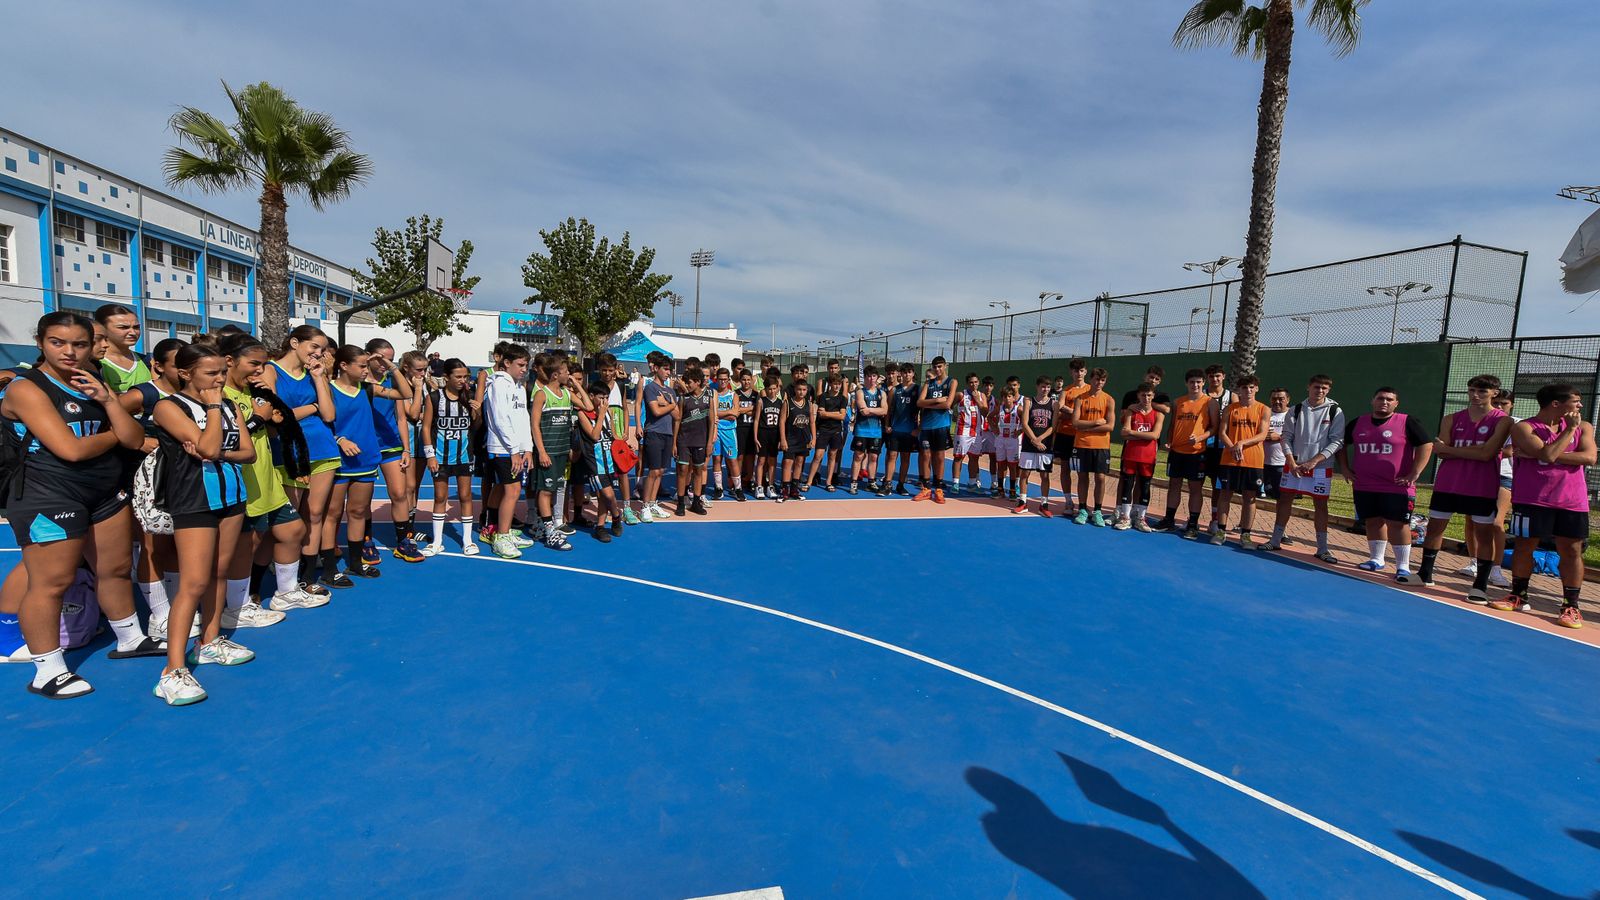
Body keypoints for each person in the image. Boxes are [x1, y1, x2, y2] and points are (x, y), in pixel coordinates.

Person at [4, 312, 161, 700]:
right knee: (51, 582)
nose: (70, 352)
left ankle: (129, 639)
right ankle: (48, 670)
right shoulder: (26, 388)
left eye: (79, 344)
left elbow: (134, 434)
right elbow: (71, 449)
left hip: (103, 490)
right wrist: (114, 434)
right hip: (48, 494)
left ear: (92, 346)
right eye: (59, 342)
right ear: (40, 342)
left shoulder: (94, 381)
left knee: (115, 568)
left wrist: (108, 400)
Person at [151, 341, 257, 704]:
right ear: (185, 373)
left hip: (231, 497)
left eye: (222, 373)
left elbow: (247, 452)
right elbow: (207, 449)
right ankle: (172, 670)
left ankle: (209, 641)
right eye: (211, 373)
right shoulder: (168, 407)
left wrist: (218, 446)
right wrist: (212, 410)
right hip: (194, 501)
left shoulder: (228, 405)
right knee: (193, 582)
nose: (220, 379)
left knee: (219, 572)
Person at [218, 334, 319, 627]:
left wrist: (273, 417)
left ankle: (286, 592)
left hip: (266, 475)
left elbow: (273, 431)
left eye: (263, 365)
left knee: (292, 530)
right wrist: (259, 419)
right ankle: (236, 608)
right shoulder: (219, 395)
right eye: (254, 364)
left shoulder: (253, 393)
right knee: (246, 546)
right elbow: (226, 439)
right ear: (229, 362)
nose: (259, 371)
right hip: (242, 480)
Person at [1489, 383, 1595, 627]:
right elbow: (1547, 456)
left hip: (1572, 501)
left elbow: (1589, 457)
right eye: (1575, 401)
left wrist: (1542, 452)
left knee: (1571, 551)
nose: (1579, 406)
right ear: (1556, 404)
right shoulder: (1523, 428)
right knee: (1524, 546)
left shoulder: (1585, 427)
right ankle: (1518, 595)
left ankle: (1571, 606)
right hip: (1532, 498)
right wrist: (1566, 435)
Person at [260, 325, 340, 594]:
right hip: (290, 451)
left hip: (323, 449)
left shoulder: (314, 374)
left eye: (323, 349)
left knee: (315, 514)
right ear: (295, 343)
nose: (319, 353)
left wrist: (319, 379)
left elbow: (329, 415)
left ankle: (306, 577)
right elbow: (276, 416)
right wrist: (313, 407)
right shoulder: (270, 370)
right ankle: (281, 578)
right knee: (289, 520)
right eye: (314, 347)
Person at [117, 337, 187, 640]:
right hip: (145, 478)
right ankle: (160, 616)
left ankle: (175, 607)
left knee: (172, 543)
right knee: (149, 545)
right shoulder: (141, 395)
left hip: (180, 477)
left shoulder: (189, 395)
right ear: (157, 366)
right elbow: (110, 421)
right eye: (178, 366)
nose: (185, 371)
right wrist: (140, 441)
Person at [1421, 375, 1514, 598]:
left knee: (1484, 534)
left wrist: (1452, 450)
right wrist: (1469, 450)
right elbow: (1440, 451)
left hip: (1481, 485)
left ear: (1495, 393)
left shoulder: (1503, 421)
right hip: (1448, 482)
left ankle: (1480, 585)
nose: (1475, 395)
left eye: (1482, 391)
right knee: (1435, 528)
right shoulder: (1451, 418)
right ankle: (1425, 575)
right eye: (1472, 390)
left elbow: (1487, 455)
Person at [323, 345, 407, 582]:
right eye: (360, 366)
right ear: (343, 366)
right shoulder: (327, 390)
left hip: (365, 459)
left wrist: (392, 367)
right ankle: (329, 568)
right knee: (333, 514)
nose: (365, 370)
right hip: (338, 461)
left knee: (359, 511)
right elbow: (320, 424)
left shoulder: (367, 389)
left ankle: (355, 563)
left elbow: (404, 392)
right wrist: (340, 439)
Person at [1339, 386, 1433, 581]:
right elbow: (1341, 444)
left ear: (1396, 403)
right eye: (1381, 398)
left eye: (1390, 399)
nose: (1385, 402)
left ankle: (1403, 566)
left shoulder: (1407, 421)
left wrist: (1415, 472)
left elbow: (1426, 444)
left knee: (1398, 524)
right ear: (1372, 400)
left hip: (1396, 485)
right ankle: (1376, 559)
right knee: (1373, 521)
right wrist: (1345, 469)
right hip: (1365, 484)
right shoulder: (1358, 422)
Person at [1264, 374, 1344, 560]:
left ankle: (1322, 549)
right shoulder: (1296, 409)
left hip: (1321, 468)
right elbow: (1286, 437)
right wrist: (1291, 461)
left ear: (1328, 390)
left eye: (1325, 388)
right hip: (1294, 466)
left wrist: (1314, 461)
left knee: (1321, 506)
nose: (1320, 390)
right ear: (1308, 387)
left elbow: (1337, 441)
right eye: (1317, 387)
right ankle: (1275, 540)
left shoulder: (1335, 411)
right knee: (1284, 500)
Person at [362, 339, 421, 563]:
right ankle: (365, 540)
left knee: (399, 493)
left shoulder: (391, 380)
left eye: (390, 358)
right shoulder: (358, 383)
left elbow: (401, 418)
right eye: (381, 358)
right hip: (364, 446)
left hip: (390, 445)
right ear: (369, 356)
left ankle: (403, 541)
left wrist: (406, 449)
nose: (385, 363)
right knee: (363, 499)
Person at [420, 358, 479, 557]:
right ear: (447, 377)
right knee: (440, 497)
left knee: (465, 496)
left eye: (466, 376)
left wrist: (477, 414)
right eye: (458, 376)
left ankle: (468, 540)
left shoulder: (469, 397)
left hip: (464, 456)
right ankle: (437, 541)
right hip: (440, 457)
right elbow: (426, 427)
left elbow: (475, 429)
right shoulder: (434, 398)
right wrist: (430, 455)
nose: (463, 380)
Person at [483, 343, 535, 558]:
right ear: (506, 363)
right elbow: (499, 418)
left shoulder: (518, 387)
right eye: (520, 364)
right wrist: (514, 450)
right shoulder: (498, 385)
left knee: (502, 488)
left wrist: (528, 448)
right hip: (502, 448)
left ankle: (493, 528)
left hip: (515, 448)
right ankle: (502, 537)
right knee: (512, 491)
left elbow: (523, 419)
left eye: (526, 365)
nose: (524, 369)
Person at [529, 353, 584, 549]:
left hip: (562, 451)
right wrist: (541, 452)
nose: (569, 375)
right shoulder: (542, 394)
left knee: (553, 490)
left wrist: (575, 385)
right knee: (545, 491)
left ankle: (542, 527)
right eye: (566, 372)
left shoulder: (567, 394)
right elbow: (534, 425)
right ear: (555, 375)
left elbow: (588, 405)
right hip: (548, 451)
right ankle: (550, 531)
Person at [1211, 375, 1270, 547]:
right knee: (1224, 495)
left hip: (1253, 460)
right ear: (1239, 390)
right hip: (1229, 460)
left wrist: (1241, 444)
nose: (1248, 390)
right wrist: (1232, 448)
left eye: (1252, 387)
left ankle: (1246, 535)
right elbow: (1222, 433)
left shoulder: (1264, 409)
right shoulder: (1230, 409)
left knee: (1250, 498)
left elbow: (1262, 434)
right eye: (1245, 388)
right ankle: (1221, 531)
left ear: (1257, 389)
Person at [1157, 369, 1215, 538]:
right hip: (1176, 452)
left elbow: (1214, 428)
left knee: (1195, 488)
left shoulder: (1210, 403)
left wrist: (1200, 437)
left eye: (1198, 382)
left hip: (1197, 453)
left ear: (1203, 382)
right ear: (1186, 383)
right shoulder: (1178, 402)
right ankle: (1169, 519)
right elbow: (1172, 426)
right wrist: (1169, 440)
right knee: (1174, 484)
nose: (1195, 385)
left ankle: (1193, 524)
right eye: (1191, 382)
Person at [572, 369, 625, 542]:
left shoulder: (607, 413)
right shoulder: (583, 414)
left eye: (606, 398)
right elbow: (594, 435)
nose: (604, 401)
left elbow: (610, 434)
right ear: (592, 396)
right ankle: (616, 516)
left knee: (604, 496)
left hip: (609, 460)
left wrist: (622, 443)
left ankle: (600, 526)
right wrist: (601, 415)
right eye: (601, 398)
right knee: (608, 495)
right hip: (595, 462)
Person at [1114, 382, 1165, 532]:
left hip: (1148, 457)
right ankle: (1125, 517)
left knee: (1145, 486)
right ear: (1138, 396)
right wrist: (1145, 436)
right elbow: (1123, 433)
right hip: (1131, 454)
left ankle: (1141, 518)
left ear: (1153, 396)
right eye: (1143, 395)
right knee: (1128, 485)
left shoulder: (1158, 414)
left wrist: (1133, 433)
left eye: (1149, 395)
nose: (1146, 398)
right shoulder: (1131, 412)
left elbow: (1155, 435)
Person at [1070, 368, 1115, 526]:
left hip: (1101, 446)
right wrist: (1095, 423)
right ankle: (1082, 509)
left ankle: (1097, 511)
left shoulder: (1109, 399)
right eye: (1096, 379)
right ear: (1091, 379)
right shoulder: (1080, 398)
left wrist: (1085, 427)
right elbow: (1075, 423)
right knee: (1082, 477)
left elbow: (1110, 426)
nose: (1099, 383)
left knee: (1100, 478)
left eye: (1102, 380)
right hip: (1082, 444)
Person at [638, 352, 677, 522]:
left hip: (668, 433)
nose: (668, 373)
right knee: (653, 471)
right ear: (657, 370)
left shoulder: (670, 391)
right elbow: (656, 411)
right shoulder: (650, 388)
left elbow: (677, 415)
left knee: (661, 471)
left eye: (670, 370)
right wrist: (670, 405)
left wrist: (667, 403)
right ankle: (644, 506)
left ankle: (653, 503)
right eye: (666, 369)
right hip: (654, 432)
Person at [673, 365, 715, 514]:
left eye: (689, 382)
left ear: (697, 382)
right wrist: (674, 443)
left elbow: (711, 421)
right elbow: (677, 421)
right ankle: (680, 502)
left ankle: (696, 502)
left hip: (701, 441)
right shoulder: (683, 399)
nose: (687, 384)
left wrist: (710, 442)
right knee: (683, 470)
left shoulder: (708, 398)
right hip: (684, 440)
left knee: (698, 470)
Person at [914, 356, 956, 504]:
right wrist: (937, 400)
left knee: (939, 457)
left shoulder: (952, 381)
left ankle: (938, 489)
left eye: (940, 366)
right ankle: (926, 489)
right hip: (926, 426)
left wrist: (928, 404)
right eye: (935, 367)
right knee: (925, 456)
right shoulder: (928, 383)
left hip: (941, 426)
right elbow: (919, 402)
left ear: (945, 366)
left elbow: (948, 405)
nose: (937, 369)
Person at [1201, 364, 1235, 534]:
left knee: (1218, 486)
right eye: (1211, 376)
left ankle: (1215, 520)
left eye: (1217, 376)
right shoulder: (1202, 395)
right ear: (1207, 378)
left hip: (1222, 449)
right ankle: (1193, 519)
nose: (1214, 379)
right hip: (1201, 447)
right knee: (1196, 484)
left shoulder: (1232, 396)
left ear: (1223, 376)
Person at [1053, 359, 1090, 514]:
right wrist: (1076, 414)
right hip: (1064, 435)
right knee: (1065, 468)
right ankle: (1068, 501)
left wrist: (1071, 412)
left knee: (1083, 472)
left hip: (1081, 437)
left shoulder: (1090, 390)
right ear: (1071, 373)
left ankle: (1083, 505)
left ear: (1085, 372)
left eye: (1081, 370)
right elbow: (1059, 408)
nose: (1078, 373)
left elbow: (1088, 413)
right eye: (1075, 371)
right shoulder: (1066, 391)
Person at [1017, 376, 1055, 516]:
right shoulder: (1029, 401)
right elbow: (1025, 423)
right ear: (1037, 387)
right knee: (1025, 474)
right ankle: (1022, 502)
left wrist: (1040, 440)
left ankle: (1044, 504)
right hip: (1029, 444)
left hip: (1045, 445)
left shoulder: (1054, 404)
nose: (1045, 389)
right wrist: (1034, 439)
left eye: (1048, 387)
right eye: (1043, 386)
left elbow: (1053, 426)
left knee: (1044, 475)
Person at [882, 364, 920, 496]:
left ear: (913, 374)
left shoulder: (918, 389)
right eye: (904, 373)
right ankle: (887, 484)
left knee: (905, 458)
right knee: (892, 456)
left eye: (909, 372)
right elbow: (889, 410)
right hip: (895, 429)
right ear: (901, 374)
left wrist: (918, 429)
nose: (906, 375)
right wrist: (887, 425)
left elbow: (923, 410)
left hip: (910, 431)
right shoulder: (894, 390)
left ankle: (901, 484)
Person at [95, 303, 151, 392]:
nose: (133, 332)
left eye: (136, 327)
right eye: (123, 327)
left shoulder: (147, 361)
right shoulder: (95, 364)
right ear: (102, 329)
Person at [806, 374, 849, 492]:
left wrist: (828, 414)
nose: (837, 386)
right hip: (823, 430)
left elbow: (842, 416)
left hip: (836, 431)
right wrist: (836, 414)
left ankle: (829, 482)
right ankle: (809, 481)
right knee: (818, 456)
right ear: (830, 384)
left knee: (832, 456)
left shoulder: (843, 399)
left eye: (839, 384)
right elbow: (821, 413)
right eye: (834, 384)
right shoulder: (823, 397)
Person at [850, 366, 888, 494]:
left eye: (873, 376)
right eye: (868, 376)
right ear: (865, 378)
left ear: (877, 378)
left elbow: (885, 410)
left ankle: (871, 482)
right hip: (862, 430)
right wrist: (877, 411)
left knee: (873, 457)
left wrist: (870, 410)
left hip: (876, 431)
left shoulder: (881, 393)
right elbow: (862, 409)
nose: (871, 379)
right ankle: (854, 483)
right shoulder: (860, 392)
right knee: (858, 456)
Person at [951, 373, 988, 495]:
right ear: (968, 383)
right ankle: (955, 483)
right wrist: (953, 415)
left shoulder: (982, 396)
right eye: (971, 382)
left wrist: (978, 400)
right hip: (963, 431)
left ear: (978, 383)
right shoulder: (961, 394)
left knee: (974, 458)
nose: (974, 384)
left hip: (977, 432)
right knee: (958, 457)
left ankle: (972, 483)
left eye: (976, 382)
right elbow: (949, 405)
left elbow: (985, 412)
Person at [779, 379, 815, 503]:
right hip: (790, 439)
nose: (801, 392)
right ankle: (784, 490)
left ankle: (794, 489)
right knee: (788, 463)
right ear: (795, 389)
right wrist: (783, 439)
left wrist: (813, 438)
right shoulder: (787, 403)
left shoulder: (809, 404)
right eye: (799, 389)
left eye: (804, 390)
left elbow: (812, 422)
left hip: (803, 438)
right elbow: (782, 421)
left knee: (799, 462)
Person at [712, 368, 743, 500]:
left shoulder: (733, 395)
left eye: (725, 379)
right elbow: (711, 413)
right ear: (717, 379)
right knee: (716, 459)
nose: (723, 381)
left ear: (728, 379)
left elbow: (735, 414)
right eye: (720, 379)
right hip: (716, 430)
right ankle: (718, 488)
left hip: (729, 432)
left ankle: (738, 488)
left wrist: (718, 414)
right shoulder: (713, 393)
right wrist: (727, 412)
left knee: (732, 460)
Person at [754, 368, 784, 498]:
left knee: (772, 462)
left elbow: (782, 422)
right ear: (765, 389)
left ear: (778, 388)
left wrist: (781, 439)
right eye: (769, 389)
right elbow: (756, 420)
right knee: (761, 461)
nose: (772, 391)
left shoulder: (781, 403)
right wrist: (755, 437)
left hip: (775, 434)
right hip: (763, 433)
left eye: (774, 388)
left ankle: (770, 485)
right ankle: (759, 486)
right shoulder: (761, 401)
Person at [733, 368, 759, 500]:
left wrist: (743, 410)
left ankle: (748, 480)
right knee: (739, 457)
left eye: (748, 379)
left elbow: (758, 412)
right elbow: (736, 411)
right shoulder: (735, 393)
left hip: (752, 428)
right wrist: (749, 409)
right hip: (740, 428)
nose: (746, 382)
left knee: (751, 457)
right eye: (744, 379)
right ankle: (737, 483)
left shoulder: (756, 394)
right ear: (740, 380)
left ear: (751, 380)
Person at [1262, 388, 1291, 500]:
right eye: (1274, 398)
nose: (1277, 401)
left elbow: (1299, 437)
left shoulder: (1293, 415)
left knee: (1281, 499)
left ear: (1287, 400)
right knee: (1255, 498)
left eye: (1281, 399)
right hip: (1261, 463)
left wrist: (1278, 437)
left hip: (1282, 464)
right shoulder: (1264, 413)